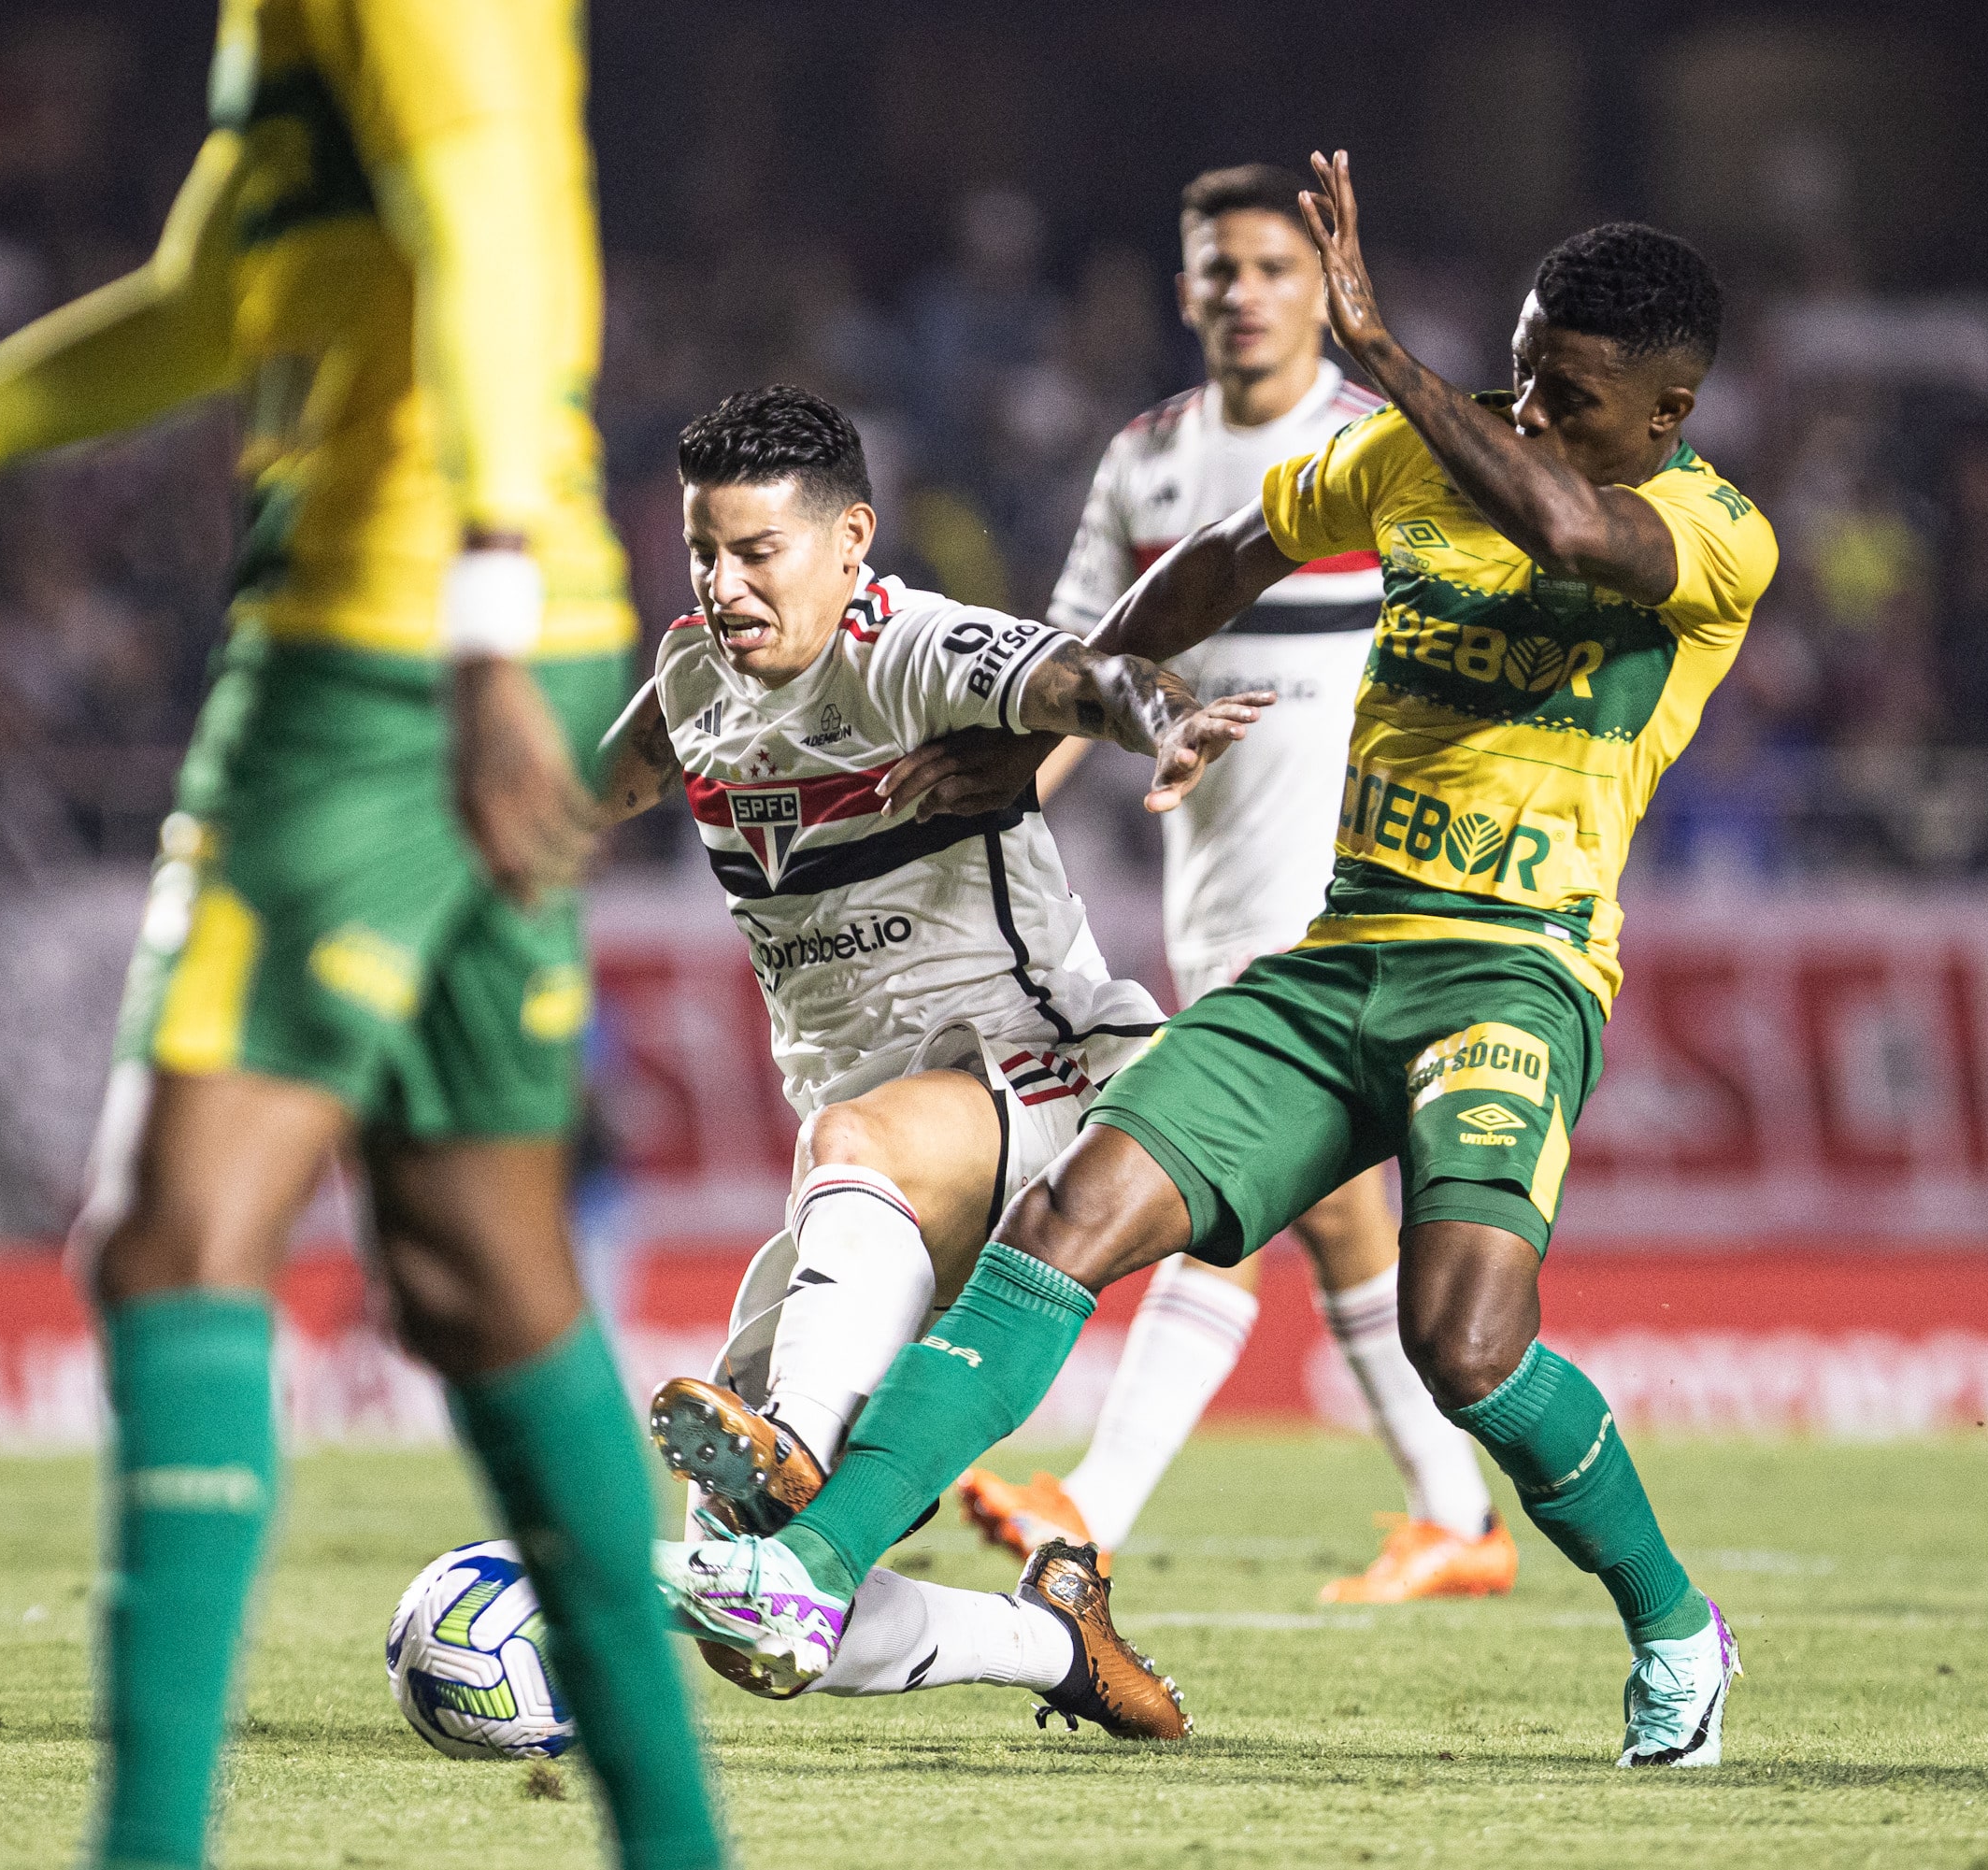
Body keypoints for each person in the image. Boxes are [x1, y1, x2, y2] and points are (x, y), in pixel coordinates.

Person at [0, 5, 726, 1864]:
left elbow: (500, 230)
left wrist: (477, 609)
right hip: (468, 631)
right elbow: (207, 295)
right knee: (482, 1269)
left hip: (390, 649)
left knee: (170, 1237)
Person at [660, 152, 1779, 1769]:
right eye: (1522, 376)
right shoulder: (1409, 458)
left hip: (1514, 975)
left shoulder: (1709, 530)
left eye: (1575, 397)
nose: (1530, 413)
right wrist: (1095, 690)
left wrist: (1384, 354)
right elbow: (1225, 555)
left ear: (1667, 410)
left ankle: (1677, 1620)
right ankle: (805, 1569)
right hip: (1338, 964)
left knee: (1465, 1341)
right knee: (1066, 1220)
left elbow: (1560, 522)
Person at [594, 384, 1263, 1737]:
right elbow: (564, 812)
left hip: (1043, 1067)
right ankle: (1042, 1637)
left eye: (756, 552)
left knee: (857, 1147)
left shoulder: (906, 644)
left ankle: (794, 1433)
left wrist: (1156, 713)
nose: (723, 583)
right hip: (879, 1170)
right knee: (751, 1615)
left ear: (851, 541)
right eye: (703, 550)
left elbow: (1078, 674)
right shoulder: (689, 681)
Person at [953, 162, 1511, 1606]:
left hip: (1354, 890)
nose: (1246, 292)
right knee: (1326, 1213)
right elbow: (1078, 666)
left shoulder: (1389, 448)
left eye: (1274, 265)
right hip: (1210, 883)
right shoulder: (1145, 461)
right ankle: (1456, 1514)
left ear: (1325, 283)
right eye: (1220, 267)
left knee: (1222, 1178)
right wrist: (989, 808)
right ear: (1184, 284)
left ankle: (1094, 1500)